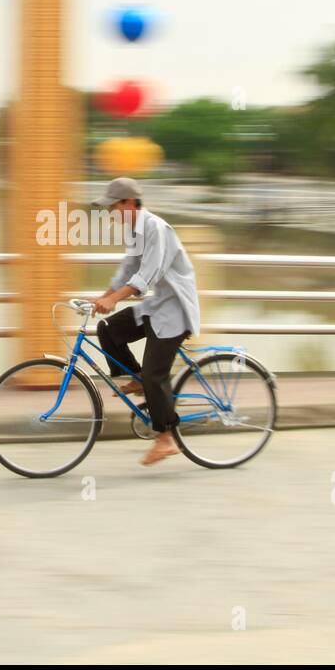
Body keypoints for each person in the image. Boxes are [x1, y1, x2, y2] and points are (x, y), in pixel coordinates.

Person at [91, 177, 200, 466]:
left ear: (128, 203)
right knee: (108, 328)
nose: (111, 213)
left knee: (155, 375)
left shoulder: (156, 228)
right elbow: (127, 269)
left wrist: (114, 300)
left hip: (175, 310)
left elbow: (147, 275)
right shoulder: (135, 231)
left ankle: (166, 439)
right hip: (157, 306)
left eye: (113, 207)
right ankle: (138, 378)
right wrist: (102, 298)